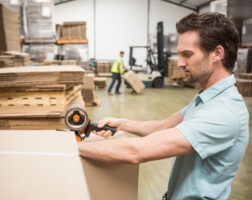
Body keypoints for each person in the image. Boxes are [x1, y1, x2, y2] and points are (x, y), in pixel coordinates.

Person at [78, 12, 249, 200]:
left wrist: (72, 147)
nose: (180, 62)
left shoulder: (224, 112)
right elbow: (165, 126)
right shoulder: (209, 99)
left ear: (217, 53)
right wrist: (122, 123)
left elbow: (135, 151)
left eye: (187, 55)